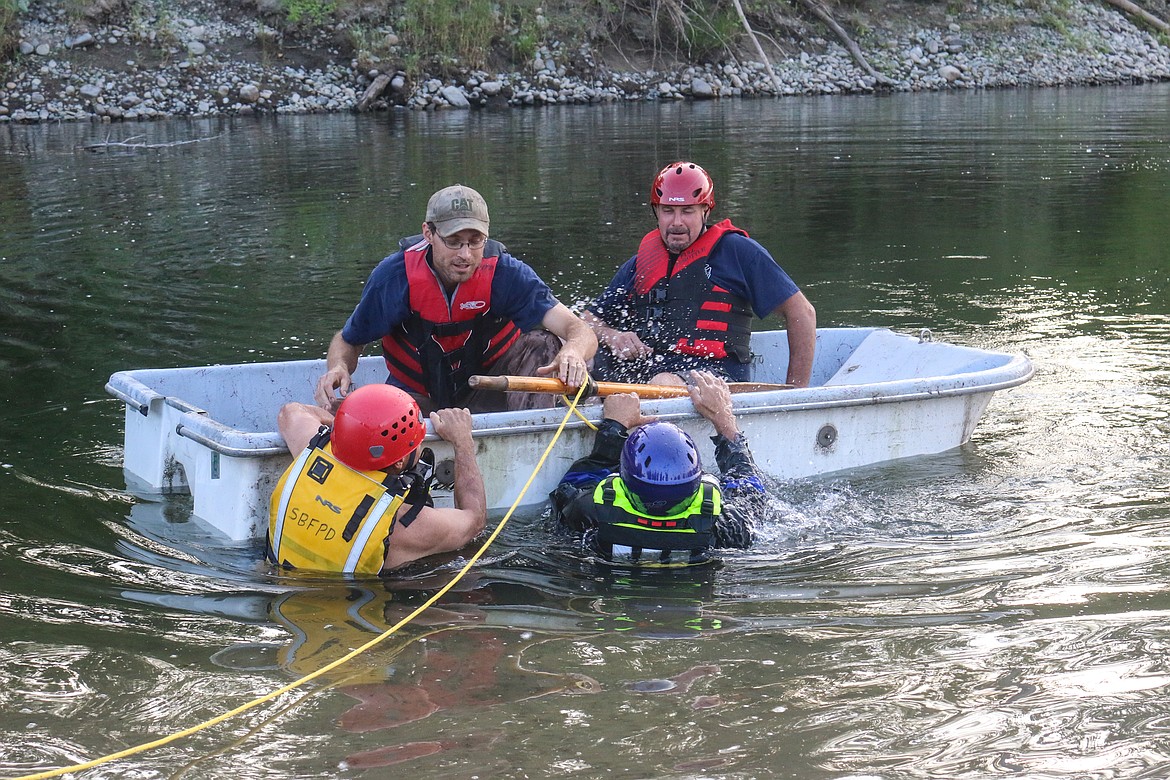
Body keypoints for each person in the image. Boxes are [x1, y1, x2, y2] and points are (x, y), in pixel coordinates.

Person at [315, 184, 597, 415]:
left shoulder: (507, 273)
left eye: (475, 241)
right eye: (453, 241)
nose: (465, 254)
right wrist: (338, 367)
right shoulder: (394, 277)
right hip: (417, 402)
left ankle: (531, 433)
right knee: (359, 412)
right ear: (429, 233)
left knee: (544, 342)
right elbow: (349, 339)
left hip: (490, 395)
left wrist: (572, 351)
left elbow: (580, 331)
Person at [583, 161, 817, 387]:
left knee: (662, 383)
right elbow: (587, 322)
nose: (676, 222)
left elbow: (802, 313)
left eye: (687, 211)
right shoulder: (639, 264)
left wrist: (795, 392)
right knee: (569, 354)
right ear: (656, 212)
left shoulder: (738, 253)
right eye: (668, 211)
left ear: (705, 211)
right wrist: (611, 336)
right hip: (647, 375)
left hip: (715, 376)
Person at [550, 371, 768, 567]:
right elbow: (752, 489)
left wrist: (613, 427)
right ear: (698, 479)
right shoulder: (723, 527)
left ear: (623, 476)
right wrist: (725, 421)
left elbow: (572, 485)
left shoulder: (590, 513)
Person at [268, 384, 486, 575]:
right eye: (416, 443)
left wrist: (352, 431)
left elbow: (290, 412)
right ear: (399, 462)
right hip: (347, 614)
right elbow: (474, 521)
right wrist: (463, 441)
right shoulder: (403, 524)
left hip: (280, 588)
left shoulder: (311, 452)